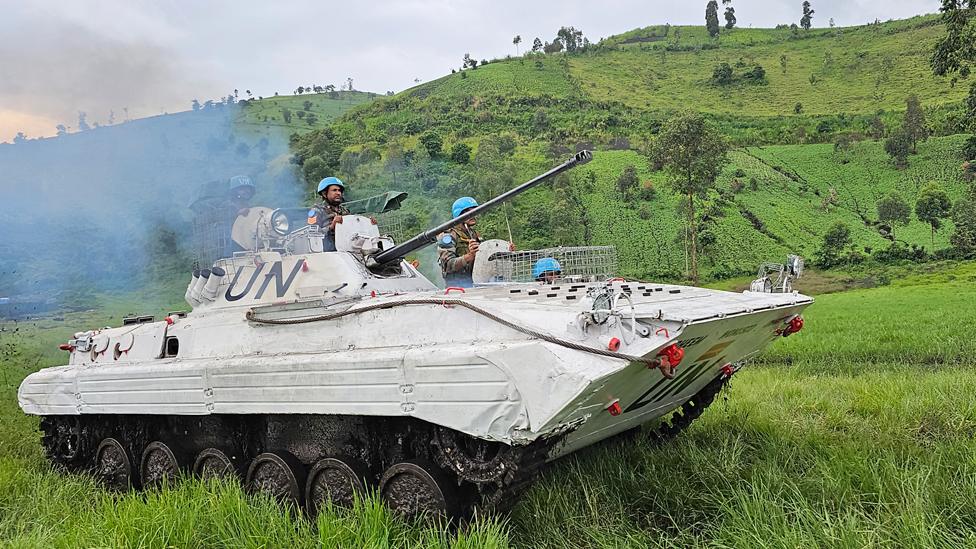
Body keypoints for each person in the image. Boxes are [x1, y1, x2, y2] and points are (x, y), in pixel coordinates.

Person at [437, 197, 514, 287]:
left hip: (476, 282)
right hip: (457, 287)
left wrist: (505, 251)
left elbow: (485, 259)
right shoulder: (448, 236)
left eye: (475, 212)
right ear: (459, 214)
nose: (473, 215)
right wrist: (470, 256)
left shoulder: (474, 234)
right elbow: (447, 265)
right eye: (469, 212)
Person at [307, 176, 350, 252]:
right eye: (334, 190)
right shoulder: (316, 210)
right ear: (324, 194)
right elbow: (312, 233)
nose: (338, 193)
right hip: (327, 254)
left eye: (339, 190)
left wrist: (368, 224)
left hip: (346, 251)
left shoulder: (345, 211)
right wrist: (331, 227)